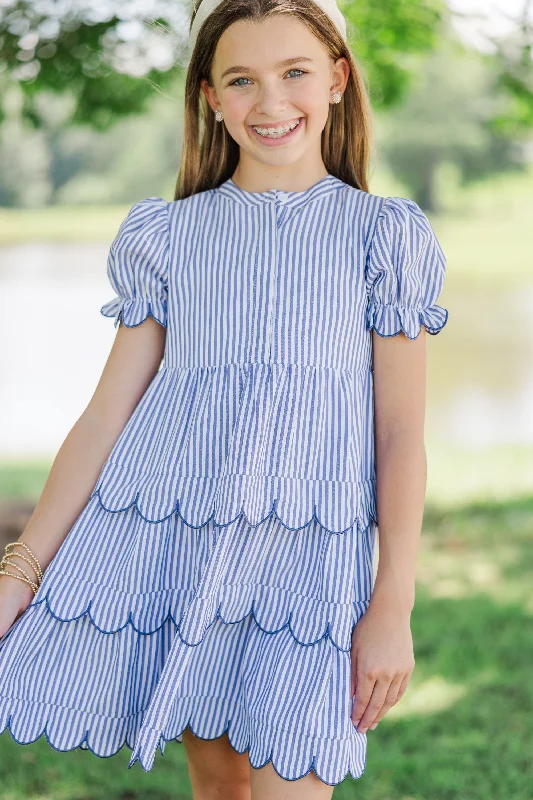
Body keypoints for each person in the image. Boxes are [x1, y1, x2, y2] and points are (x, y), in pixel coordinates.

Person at [0, 0, 449, 797]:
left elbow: (400, 436)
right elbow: (107, 417)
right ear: (209, 95)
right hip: (182, 547)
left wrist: (392, 604)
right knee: (219, 788)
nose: (270, 103)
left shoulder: (383, 237)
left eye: (295, 72)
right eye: (241, 79)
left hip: (309, 568)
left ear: (339, 80)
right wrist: (21, 569)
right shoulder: (167, 238)